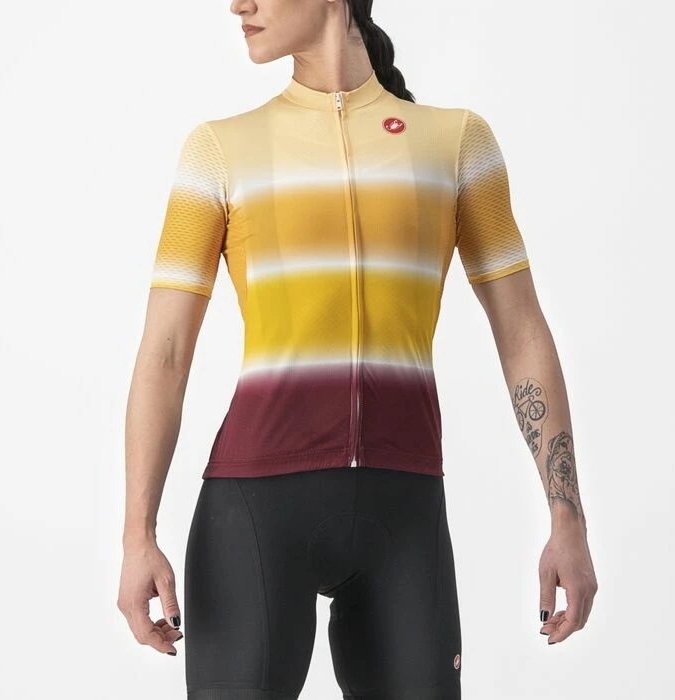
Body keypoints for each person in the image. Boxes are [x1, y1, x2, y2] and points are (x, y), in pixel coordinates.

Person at [117, 1, 598, 698]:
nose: (238, 3)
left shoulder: (455, 144)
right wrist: (137, 535)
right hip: (252, 514)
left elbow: (522, 333)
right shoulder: (220, 151)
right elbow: (164, 354)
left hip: (405, 517)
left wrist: (567, 518)